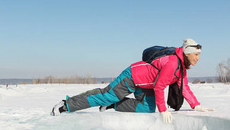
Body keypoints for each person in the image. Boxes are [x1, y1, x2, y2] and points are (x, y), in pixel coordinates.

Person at [50, 38, 214, 123]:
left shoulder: (181, 67)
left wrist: (196, 106)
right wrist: (163, 110)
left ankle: (112, 106)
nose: (198, 58)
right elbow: (160, 87)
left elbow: (184, 87)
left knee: (147, 108)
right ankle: (66, 104)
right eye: (196, 55)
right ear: (187, 53)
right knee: (107, 95)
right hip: (133, 77)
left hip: (146, 85)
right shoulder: (172, 63)